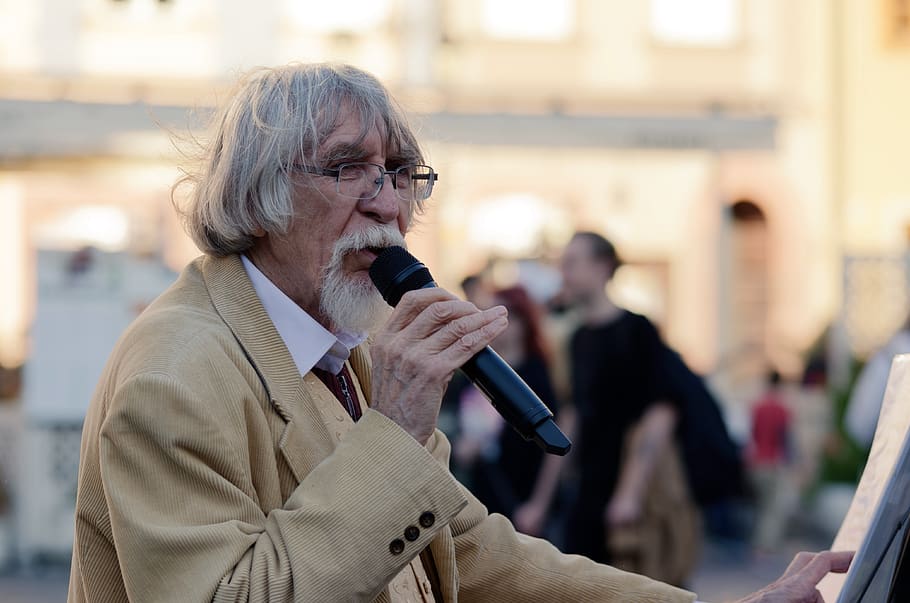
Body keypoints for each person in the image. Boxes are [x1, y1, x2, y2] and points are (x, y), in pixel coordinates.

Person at [68, 62, 850, 602]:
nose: (388, 205)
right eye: (349, 169)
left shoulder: (338, 353)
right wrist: (398, 426)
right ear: (262, 194)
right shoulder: (177, 370)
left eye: (400, 173)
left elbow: (473, 556)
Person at [452, 285, 563, 530]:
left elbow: (554, 448)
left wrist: (538, 504)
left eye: (508, 316)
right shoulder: (474, 371)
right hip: (482, 496)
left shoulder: (536, 374)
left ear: (524, 321)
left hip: (521, 496)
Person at [747, 370, 797, 553]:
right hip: (773, 462)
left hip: (755, 461)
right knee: (772, 508)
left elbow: (752, 433)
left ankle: (758, 545)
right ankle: (764, 547)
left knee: (761, 506)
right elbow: (785, 438)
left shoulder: (757, 406)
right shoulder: (782, 409)